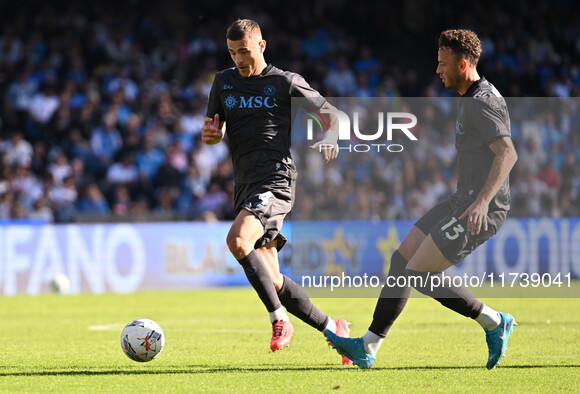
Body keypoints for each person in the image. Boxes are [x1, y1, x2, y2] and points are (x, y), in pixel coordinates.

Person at [325, 29, 519, 369]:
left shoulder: (482, 102)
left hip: (480, 207)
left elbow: (507, 153)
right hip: (462, 200)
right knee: (401, 262)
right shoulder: (471, 97)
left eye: (443, 64)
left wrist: (482, 202)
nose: (437, 70)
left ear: (462, 64)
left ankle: (493, 321)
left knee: (415, 273)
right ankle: (368, 346)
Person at [202, 19, 351, 363]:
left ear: (261, 46)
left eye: (244, 51)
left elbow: (333, 114)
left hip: (276, 180)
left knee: (238, 240)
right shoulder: (223, 83)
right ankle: (335, 330)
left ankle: (278, 319)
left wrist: (329, 134)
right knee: (273, 277)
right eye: (232, 52)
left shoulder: (284, 82)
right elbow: (213, 128)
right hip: (245, 184)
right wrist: (211, 135)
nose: (238, 58)